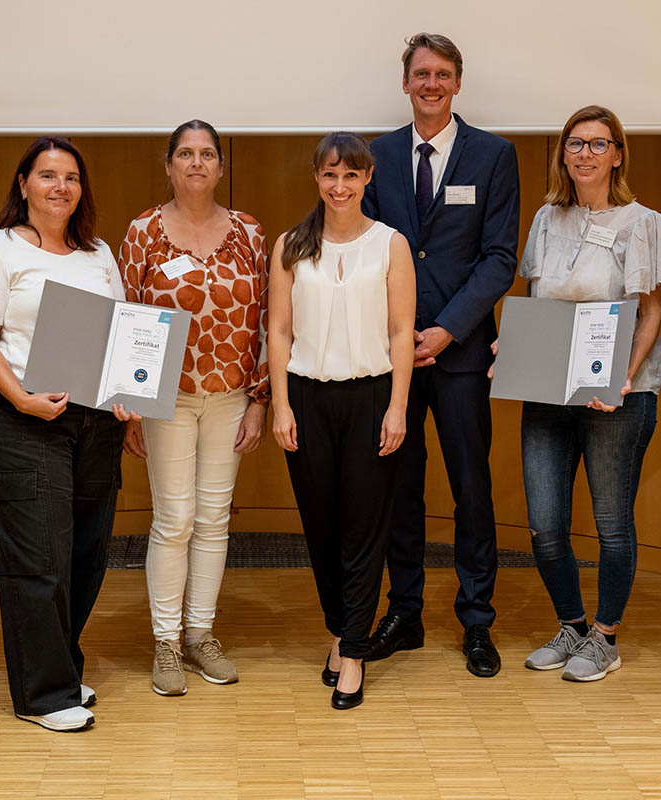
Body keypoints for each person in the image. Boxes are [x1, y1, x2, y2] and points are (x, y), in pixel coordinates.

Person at [362, 32, 519, 677]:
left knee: (471, 488)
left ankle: (477, 621)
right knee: (398, 488)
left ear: (458, 84)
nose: (431, 84)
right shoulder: (376, 156)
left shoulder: (494, 155)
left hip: (459, 354)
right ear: (406, 84)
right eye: (421, 74)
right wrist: (403, 333)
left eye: (443, 74)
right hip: (393, 356)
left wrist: (447, 330)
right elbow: (365, 248)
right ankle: (405, 613)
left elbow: (499, 258)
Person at [509, 105, 661, 681]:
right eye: (576, 143)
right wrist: (509, 353)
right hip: (548, 391)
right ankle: (573, 626)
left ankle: (606, 636)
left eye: (598, 144)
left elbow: (651, 312)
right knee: (545, 524)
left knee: (610, 522)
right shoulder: (544, 219)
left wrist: (625, 376)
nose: (586, 153)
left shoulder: (643, 222)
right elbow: (536, 303)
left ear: (618, 153)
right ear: (563, 153)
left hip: (618, 394)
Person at [0, 136, 125, 732]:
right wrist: (22, 400)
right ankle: (43, 695)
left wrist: (127, 398)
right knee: (39, 559)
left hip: (95, 422)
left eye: (72, 177)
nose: (62, 186)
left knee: (86, 555)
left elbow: (120, 333)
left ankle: (58, 667)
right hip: (27, 420)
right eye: (49, 175)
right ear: (24, 183)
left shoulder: (98, 253)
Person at [114, 120, 269, 696]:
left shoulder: (250, 233)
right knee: (173, 520)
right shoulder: (143, 233)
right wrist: (127, 406)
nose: (197, 163)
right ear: (169, 165)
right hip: (166, 399)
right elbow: (127, 316)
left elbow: (265, 323)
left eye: (207, 154)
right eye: (186, 153)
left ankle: (202, 634)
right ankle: (166, 641)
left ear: (221, 167)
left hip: (231, 396)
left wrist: (259, 401)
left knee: (212, 520)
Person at [269, 132, 415, 710]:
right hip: (306, 397)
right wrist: (280, 404)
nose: (340, 186)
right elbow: (278, 331)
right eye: (330, 175)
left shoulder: (390, 245)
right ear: (316, 178)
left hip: (372, 397)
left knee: (363, 527)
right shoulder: (291, 245)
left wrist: (398, 406)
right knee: (322, 528)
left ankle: (353, 650)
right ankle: (340, 628)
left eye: (350, 175)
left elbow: (403, 330)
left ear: (368, 179)